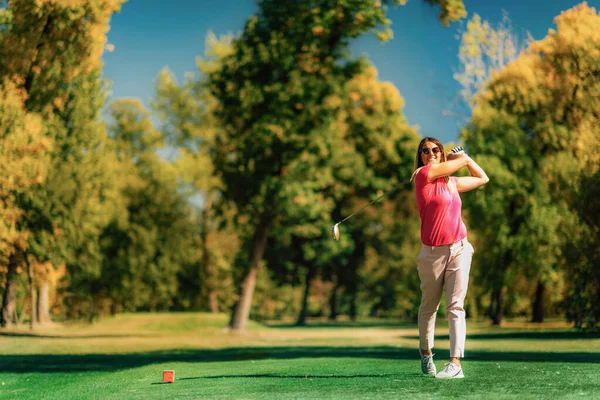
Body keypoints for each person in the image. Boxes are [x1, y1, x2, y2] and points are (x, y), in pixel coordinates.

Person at [411, 137, 489, 379]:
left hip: (459, 249)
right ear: (421, 156)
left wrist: (466, 159)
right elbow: (457, 162)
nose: (430, 153)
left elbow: (482, 178)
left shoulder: (452, 183)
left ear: (441, 153)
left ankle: (455, 363)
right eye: (425, 151)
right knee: (429, 307)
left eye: (435, 150)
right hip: (431, 253)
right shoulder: (423, 175)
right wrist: (460, 157)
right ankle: (426, 352)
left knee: (456, 306)